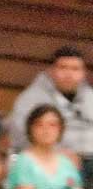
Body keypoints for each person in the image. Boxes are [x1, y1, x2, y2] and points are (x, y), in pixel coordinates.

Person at [7, 47, 93, 186]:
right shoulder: (30, 99)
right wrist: (55, 154)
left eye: (75, 69)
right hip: (50, 161)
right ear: (51, 70)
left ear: (84, 73)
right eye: (63, 68)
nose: (69, 74)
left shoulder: (90, 96)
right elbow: (21, 135)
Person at [6, 104, 84, 189]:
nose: (46, 130)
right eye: (39, 125)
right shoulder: (23, 162)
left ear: (61, 129)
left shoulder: (67, 163)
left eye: (52, 125)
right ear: (30, 129)